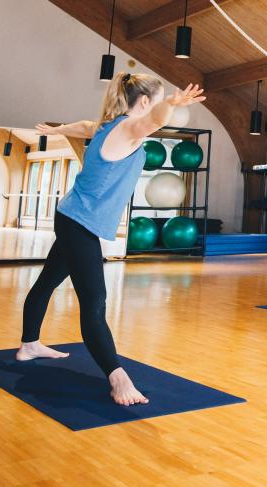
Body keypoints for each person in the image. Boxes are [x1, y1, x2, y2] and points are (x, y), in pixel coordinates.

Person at [16, 74, 206, 405]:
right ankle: (117, 378)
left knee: (48, 281)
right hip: (79, 224)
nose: (161, 108)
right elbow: (156, 119)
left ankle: (29, 344)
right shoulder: (130, 130)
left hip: (73, 216)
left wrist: (59, 130)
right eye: (157, 100)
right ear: (145, 102)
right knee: (95, 302)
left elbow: (85, 125)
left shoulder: (110, 126)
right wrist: (172, 104)